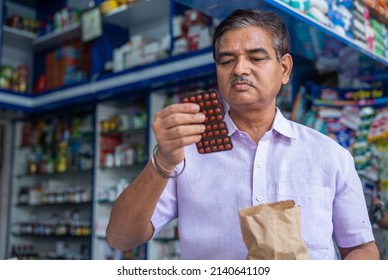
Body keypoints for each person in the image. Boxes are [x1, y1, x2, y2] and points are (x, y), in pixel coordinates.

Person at [106, 8, 379, 260]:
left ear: (284, 69)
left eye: (256, 58)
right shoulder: (185, 153)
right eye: (227, 60)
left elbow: (362, 248)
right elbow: (120, 238)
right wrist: (162, 161)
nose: (239, 69)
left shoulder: (329, 155)